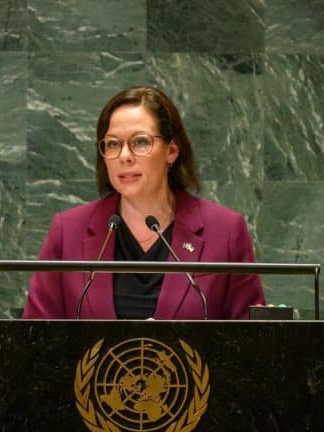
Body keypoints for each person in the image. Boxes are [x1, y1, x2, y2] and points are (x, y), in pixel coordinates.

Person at [23, 86, 265, 319]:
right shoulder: (68, 231)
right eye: (113, 144)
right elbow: (35, 340)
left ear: (171, 151)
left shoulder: (225, 232)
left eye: (140, 142)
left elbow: (252, 345)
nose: (125, 156)